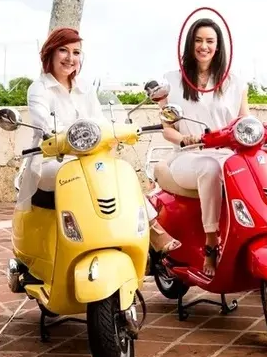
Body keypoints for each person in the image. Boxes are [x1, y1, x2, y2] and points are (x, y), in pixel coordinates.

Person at [17, 28, 182, 253]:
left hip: (90, 158)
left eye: (76, 52)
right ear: (51, 53)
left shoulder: (84, 87)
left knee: (121, 175)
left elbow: (100, 120)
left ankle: (151, 230)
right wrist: (79, 135)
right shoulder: (39, 89)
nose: (70, 58)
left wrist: (119, 130)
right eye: (63, 50)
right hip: (51, 160)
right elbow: (46, 126)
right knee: (82, 176)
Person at [154, 17, 250, 277]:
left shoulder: (235, 82)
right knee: (209, 168)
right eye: (198, 40)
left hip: (227, 153)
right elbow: (168, 128)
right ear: (190, 43)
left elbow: (244, 121)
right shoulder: (171, 81)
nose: (204, 46)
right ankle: (211, 242)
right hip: (189, 155)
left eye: (209, 41)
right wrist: (184, 139)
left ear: (218, 46)